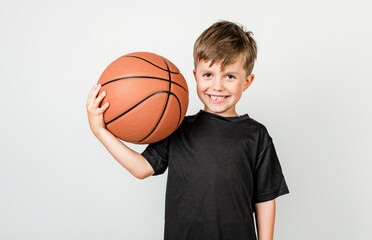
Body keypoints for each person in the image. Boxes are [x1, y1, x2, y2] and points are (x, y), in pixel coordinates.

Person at [86, 20, 289, 240]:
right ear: (195, 77)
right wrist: (100, 132)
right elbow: (141, 168)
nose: (218, 86)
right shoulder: (176, 127)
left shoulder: (256, 135)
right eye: (208, 75)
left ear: (247, 82)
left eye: (230, 76)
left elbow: (265, 198)